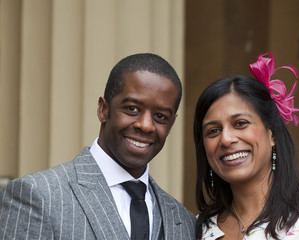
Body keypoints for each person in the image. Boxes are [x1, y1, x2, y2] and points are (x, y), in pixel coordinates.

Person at [0, 53, 195, 240]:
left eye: (160, 116)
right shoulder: (37, 195)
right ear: (103, 109)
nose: (145, 125)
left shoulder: (184, 220)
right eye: (132, 109)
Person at [194, 53, 299, 239]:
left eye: (240, 123)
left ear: (272, 133)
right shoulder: (199, 229)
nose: (226, 139)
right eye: (213, 131)